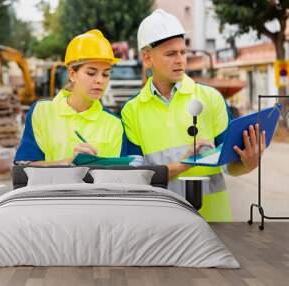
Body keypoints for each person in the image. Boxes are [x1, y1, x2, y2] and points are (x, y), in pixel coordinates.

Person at [121, 9, 266, 221]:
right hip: (160, 222)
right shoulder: (131, 110)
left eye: (183, 52)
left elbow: (230, 165)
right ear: (147, 58)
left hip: (212, 223)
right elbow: (135, 177)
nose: (180, 60)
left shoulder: (211, 98)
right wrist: (183, 165)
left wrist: (248, 164)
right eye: (171, 54)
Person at [14, 29, 127, 166]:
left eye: (105, 74)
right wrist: (68, 163)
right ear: (72, 74)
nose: (100, 80)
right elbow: (24, 167)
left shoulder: (114, 124)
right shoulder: (42, 112)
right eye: (91, 73)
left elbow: (118, 177)